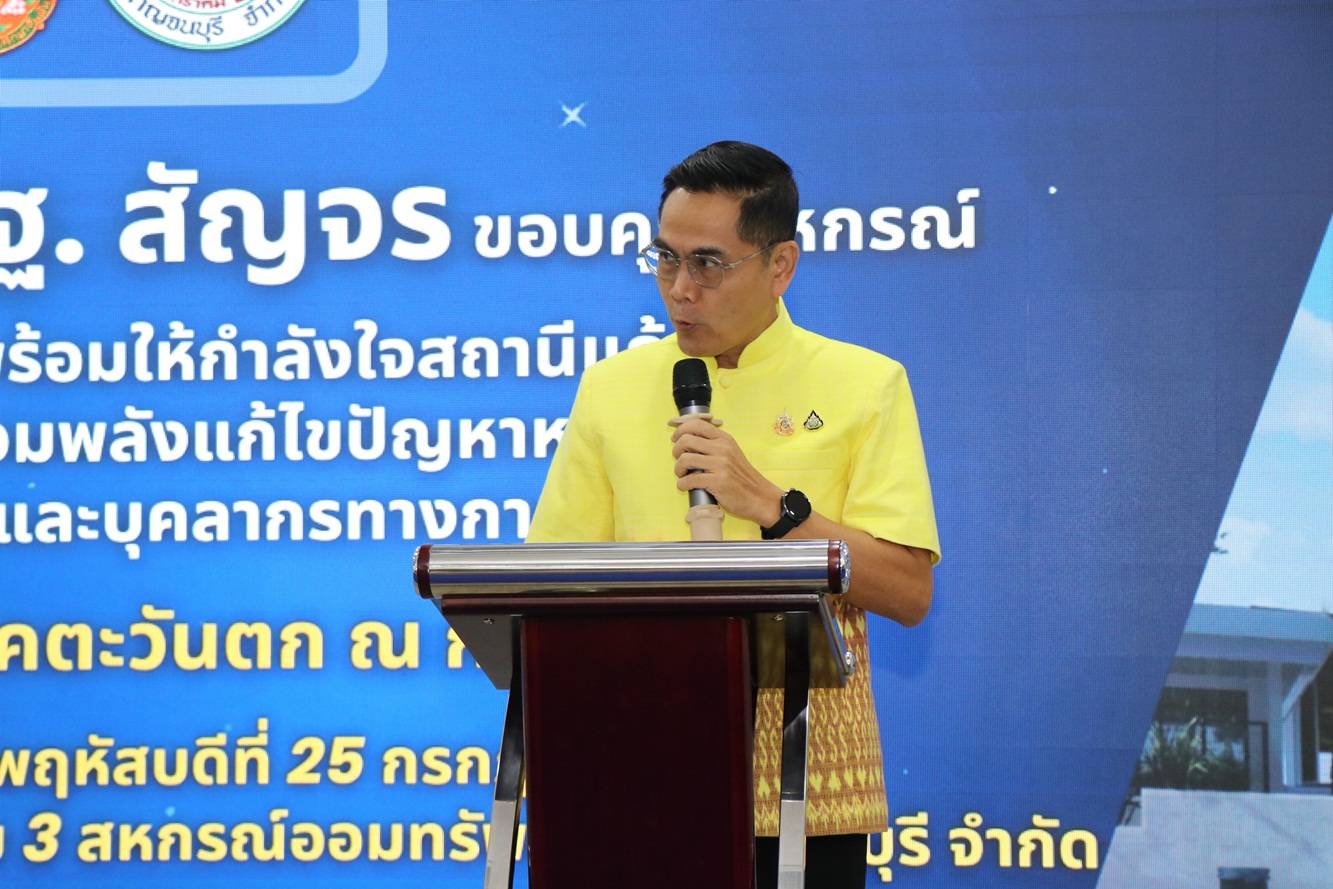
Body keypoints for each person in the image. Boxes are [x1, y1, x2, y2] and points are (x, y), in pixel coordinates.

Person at [526, 140, 940, 887]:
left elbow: (908, 590)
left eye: (709, 264)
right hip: (631, 771)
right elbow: (549, 584)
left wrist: (773, 508)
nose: (680, 289)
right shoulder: (611, 387)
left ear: (780, 265)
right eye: (665, 259)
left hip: (802, 783)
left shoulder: (864, 383)